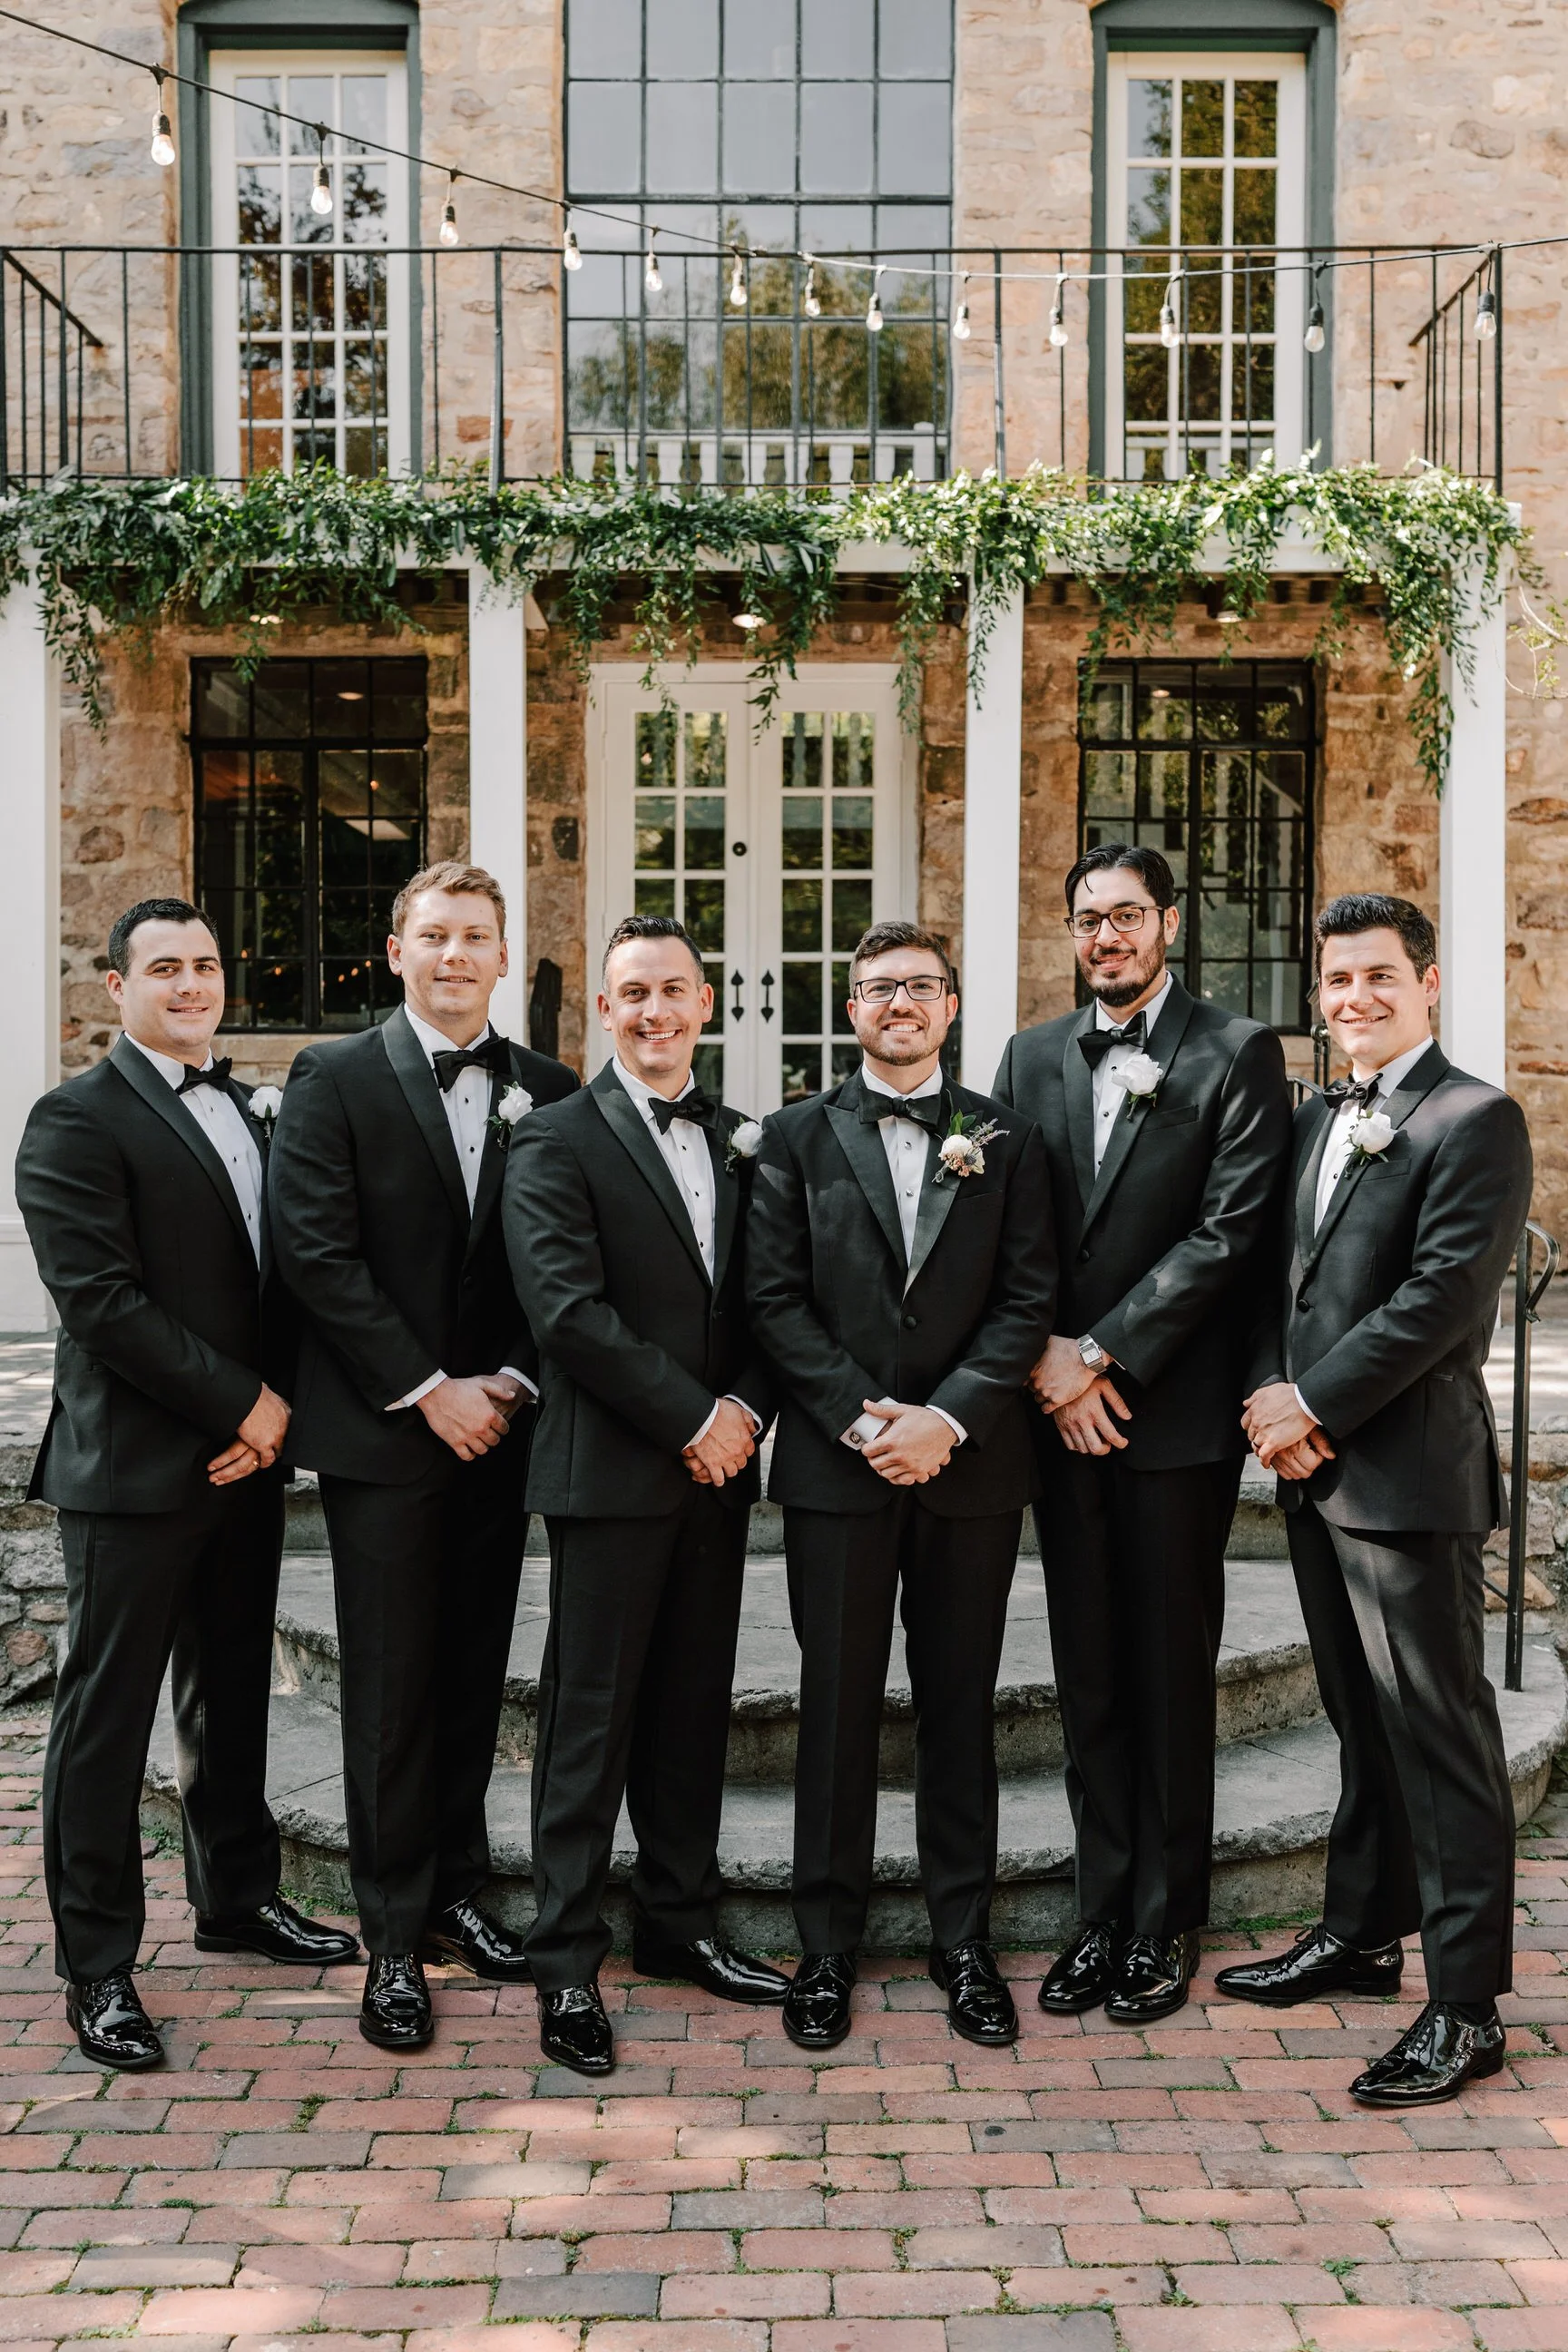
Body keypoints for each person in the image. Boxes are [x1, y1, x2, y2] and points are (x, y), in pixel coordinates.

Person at [15, 898, 357, 2070]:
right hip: (136, 1468)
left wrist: (277, 1420)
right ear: (117, 986)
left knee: (231, 1693)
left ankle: (236, 1899)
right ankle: (97, 1966)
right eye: (165, 967)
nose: (192, 984)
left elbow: (281, 1276)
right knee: (105, 1719)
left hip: (246, 1460)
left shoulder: (256, 1111)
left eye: (206, 964)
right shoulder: (71, 1121)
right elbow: (106, 1307)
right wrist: (246, 1405)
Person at [1229, 894, 1531, 2107]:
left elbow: (1444, 1301)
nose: (1354, 999)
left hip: (1409, 1478)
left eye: (1377, 978)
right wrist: (1267, 1394)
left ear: (1429, 982)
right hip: (1315, 1469)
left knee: (1442, 1736)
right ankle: (1359, 1936)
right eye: (1338, 981)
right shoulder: (1315, 1121)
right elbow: (1276, 1283)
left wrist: (1316, 1405)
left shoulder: (1477, 1118)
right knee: (1360, 1718)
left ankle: (1466, 2007)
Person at [268, 860, 576, 2051]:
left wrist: (503, 1378)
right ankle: (391, 1939)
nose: (455, 956)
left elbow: (554, 1255)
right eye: (434, 935)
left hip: (500, 1431)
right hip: (387, 1434)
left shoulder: (547, 1087)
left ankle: (456, 1891)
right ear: (396, 949)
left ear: (504, 957)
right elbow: (316, 1253)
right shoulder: (333, 1077)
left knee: (469, 1672)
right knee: (393, 1687)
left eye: (475, 938)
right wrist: (423, 1388)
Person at [992, 844, 1290, 2024]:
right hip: (1059, 1416)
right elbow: (1005, 1229)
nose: (1106, 936)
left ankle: (1166, 1920)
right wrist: (1046, 1368)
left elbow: (1231, 1233)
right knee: (1089, 1673)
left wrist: (1101, 1354)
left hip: (1168, 1419)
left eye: (1125, 916)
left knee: (1168, 1673)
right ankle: (1098, 1912)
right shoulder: (1027, 1056)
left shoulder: (1237, 1052)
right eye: (1086, 920)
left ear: (1170, 921)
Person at [747, 920, 1055, 2052]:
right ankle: (826, 1945)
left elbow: (1028, 1299)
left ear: (952, 1005)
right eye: (879, 989)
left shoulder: (1007, 1139)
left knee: (958, 1706)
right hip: (841, 1468)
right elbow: (773, 1301)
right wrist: (866, 1418)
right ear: (851, 1009)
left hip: (969, 1470)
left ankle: (961, 1937)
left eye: (922, 987)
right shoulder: (788, 1138)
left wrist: (949, 1419)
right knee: (833, 1708)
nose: (901, 1004)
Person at [504, 915, 787, 2076]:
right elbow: (568, 1312)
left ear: (708, 1004)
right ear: (604, 1014)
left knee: (689, 1712)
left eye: (674, 991)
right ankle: (566, 1961)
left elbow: (773, 1301)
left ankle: (680, 1924)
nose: (655, 1012)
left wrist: (750, 1416)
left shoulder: (741, 1142)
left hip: (718, 1476)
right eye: (633, 995)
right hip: (615, 1473)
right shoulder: (554, 1139)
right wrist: (694, 1419)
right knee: (591, 1722)